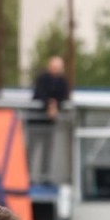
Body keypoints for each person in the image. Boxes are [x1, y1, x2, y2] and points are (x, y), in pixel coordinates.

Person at [29, 55, 71, 183]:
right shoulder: (42, 79)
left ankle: (44, 177)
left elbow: (64, 96)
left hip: (49, 123)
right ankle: (27, 176)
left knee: (47, 151)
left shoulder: (62, 82)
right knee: (31, 150)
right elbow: (38, 94)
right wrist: (49, 104)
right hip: (36, 122)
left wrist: (55, 105)